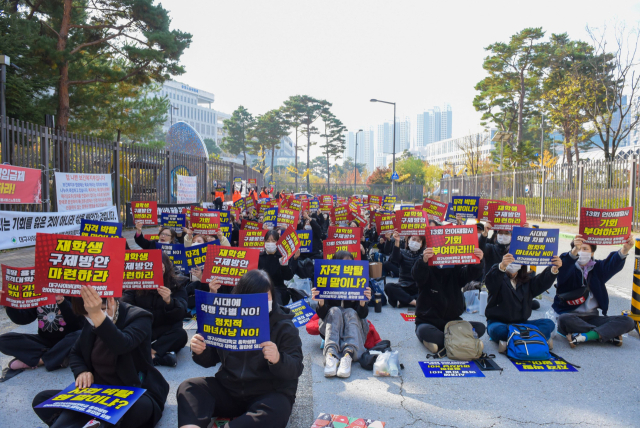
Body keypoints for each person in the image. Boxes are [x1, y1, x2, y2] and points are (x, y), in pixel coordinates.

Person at [176, 270, 303, 428]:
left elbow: (296, 368)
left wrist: (278, 359)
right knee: (189, 387)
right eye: (255, 297)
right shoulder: (226, 319)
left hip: (268, 394)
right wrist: (200, 350)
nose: (261, 301)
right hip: (230, 389)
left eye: (266, 296)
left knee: (278, 411)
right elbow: (210, 360)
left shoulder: (284, 326)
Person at [32, 285, 169, 428]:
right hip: (97, 395)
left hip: (131, 392)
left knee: (139, 408)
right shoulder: (90, 320)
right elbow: (75, 353)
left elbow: (122, 345)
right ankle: (92, 422)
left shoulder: (138, 317)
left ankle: (92, 423)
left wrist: (98, 316)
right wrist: (82, 371)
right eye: (87, 315)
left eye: (95, 312)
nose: (91, 319)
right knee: (42, 400)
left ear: (110, 301)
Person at [554, 234, 636, 347]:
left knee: (628, 321)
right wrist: (574, 252)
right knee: (563, 319)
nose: (581, 251)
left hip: (593, 317)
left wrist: (625, 249)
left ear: (592, 253)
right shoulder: (568, 266)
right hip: (570, 315)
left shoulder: (598, 268)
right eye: (578, 248)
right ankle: (607, 334)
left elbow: (612, 264)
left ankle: (585, 336)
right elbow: (564, 269)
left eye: (585, 249)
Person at [412, 246, 486, 353]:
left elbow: (470, 274)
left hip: (453, 322)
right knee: (425, 331)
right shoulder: (426, 267)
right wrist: (423, 260)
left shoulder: (455, 269)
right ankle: (462, 342)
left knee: (480, 327)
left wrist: (478, 261)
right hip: (428, 322)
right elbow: (417, 275)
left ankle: (442, 343)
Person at [485, 253, 562, 352]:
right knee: (498, 331)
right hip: (499, 323)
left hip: (521, 324)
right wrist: (502, 266)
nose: (513, 261)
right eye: (510, 258)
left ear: (522, 263)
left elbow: (541, 282)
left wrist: (553, 269)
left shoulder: (527, 281)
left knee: (549, 324)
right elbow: (491, 282)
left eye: (516, 259)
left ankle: (512, 340)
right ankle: (534, 339)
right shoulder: (498, 275)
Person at [312, 251, 372, 379]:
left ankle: (347, 356)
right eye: (342, 263)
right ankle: (331, 355)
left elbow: (362, 315)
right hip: (332, 325)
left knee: (350, 311)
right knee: (335, 310)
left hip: (353, 327)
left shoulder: (359, 282)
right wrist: (320, 302)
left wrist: (362, 303)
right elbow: (323, 315)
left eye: (349, 263)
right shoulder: (327, 280)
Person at [122, 254, 189, 367]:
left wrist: (169, 301)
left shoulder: (176, 284)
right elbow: (125, 303)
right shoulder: (137, 281)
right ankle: (157, 357)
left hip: (164, 328)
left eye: (161, 268)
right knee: (124, 334)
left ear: (167, 267)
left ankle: (146, 354)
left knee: (181, 335)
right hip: (142, 327)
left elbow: (181, 311)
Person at [0, 293, 84, 377]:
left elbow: (80, 323)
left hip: (69, 341)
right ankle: (57, 356)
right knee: (3, 340)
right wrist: (9, 304)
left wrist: (62, 302)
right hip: (45, 341)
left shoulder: (73, 291)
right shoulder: (39, 293)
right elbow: (23, 319)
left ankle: (41, 361)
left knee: (81, 335)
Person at [384, 231, 425, 307]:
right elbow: (394, 259)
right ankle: (415, 302)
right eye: (413, 239)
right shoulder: (402, 252)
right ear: (408, 240)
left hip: (418, 287)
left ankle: (404, 301)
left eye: (418, 241)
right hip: (404, 286)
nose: (415, 242)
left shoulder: (424, 254)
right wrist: (397, 241)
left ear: (422, 244)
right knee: (388, 287)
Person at [259, 230, 300, 305]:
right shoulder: (259, 257)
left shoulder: (282, 256)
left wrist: (284, 265)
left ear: (278, 242)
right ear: (264, 242)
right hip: (262, 288)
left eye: (273, 241)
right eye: (268, 241)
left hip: (278, 289)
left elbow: (288, 277)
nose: (270, 243)